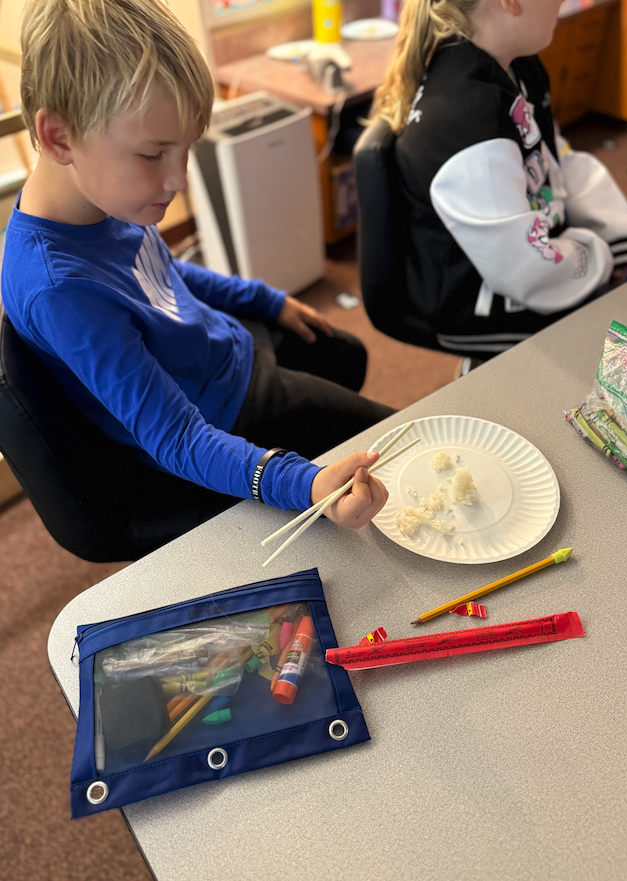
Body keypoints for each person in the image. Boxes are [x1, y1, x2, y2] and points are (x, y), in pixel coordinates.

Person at [2, 0, 395, 532]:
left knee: (344, 354)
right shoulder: (60, 289)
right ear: (59, 137)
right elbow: (176, 437)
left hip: (223, 348)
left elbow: (160, 273)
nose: (178, 180)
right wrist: (300, 485)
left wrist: (264, 299)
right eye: (152, 154)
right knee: (395, 450)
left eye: (185, 150)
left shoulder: (105, 199)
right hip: (218, 410)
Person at [371, 0, 627, 359]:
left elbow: (555, 160)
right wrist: (601, 258)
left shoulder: (516, 65)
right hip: (478, 300)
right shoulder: (468, 121)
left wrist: (617, 240)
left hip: (530, 252)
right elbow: (526, 273)